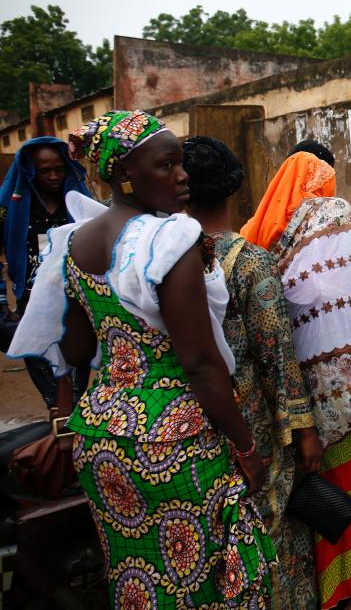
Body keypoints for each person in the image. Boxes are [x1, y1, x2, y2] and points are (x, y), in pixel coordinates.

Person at [8, 110, 277, 607]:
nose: (182, 177)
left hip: (103, 437)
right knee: (208, 574)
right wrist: (246, 448)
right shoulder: (169, 239)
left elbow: (77, 350)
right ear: (124, 174)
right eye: (166, 165)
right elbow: (199, 362)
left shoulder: (74, 242)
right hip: (174, 439)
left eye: (180, 164)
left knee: (139, 570)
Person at [240, 151, 351, 610]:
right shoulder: (331, 226)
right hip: (338, 394)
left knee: (328, 493)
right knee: (344, 488)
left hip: (287, 396)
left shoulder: (260, 243)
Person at [182, 136, 321, 609]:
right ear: (235, 190)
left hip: (194, 425)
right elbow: (278, 357)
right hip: (252, 425)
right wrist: (303, 432)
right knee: (272, 530)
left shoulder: (164, 259)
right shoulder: (249, 261)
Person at [0, 137, 91, 407]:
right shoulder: (9, 209)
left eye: (59, 169)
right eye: (44, 170)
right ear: (29, 170)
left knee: (76, 384)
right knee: (51, 388)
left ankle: (70, 437)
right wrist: (3, 305)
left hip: (77, 304)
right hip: (33, 303)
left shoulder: (78, 203)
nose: (53, 176)